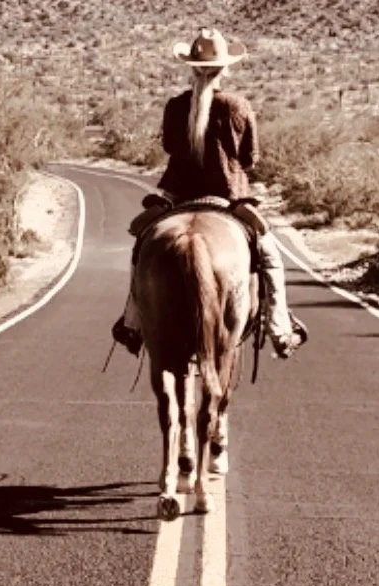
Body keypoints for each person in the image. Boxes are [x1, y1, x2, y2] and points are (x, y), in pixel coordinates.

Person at [111, 28, 308, 358]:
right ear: (225, 68)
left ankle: (133, 323)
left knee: (142, 245)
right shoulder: (237, 106)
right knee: (270, 254)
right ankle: (280, 329)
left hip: (177, 196)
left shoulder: (175, 106)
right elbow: (249, 158)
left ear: (191, 68)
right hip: (229, 197)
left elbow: (170, 147)